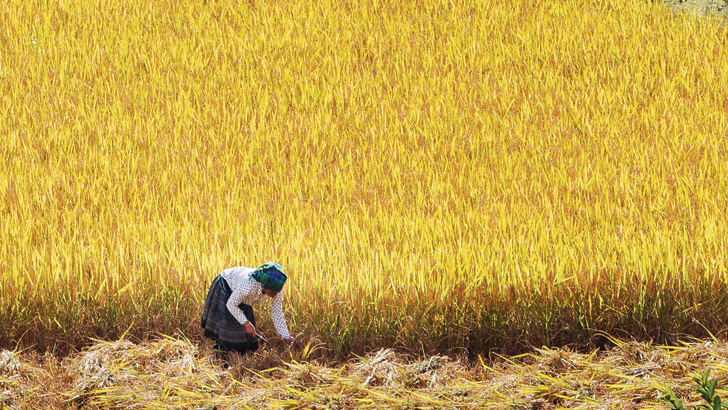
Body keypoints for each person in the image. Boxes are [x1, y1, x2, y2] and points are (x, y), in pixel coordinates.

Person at [201, 262, 299, 354]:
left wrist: (286, 337)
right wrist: (247, 324)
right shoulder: (248, 285)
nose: (274, 295)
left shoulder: (276, 288)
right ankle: (221, 355)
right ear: (263, 286)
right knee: (229, 329)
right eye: (272, 293)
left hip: (243, 298)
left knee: (244, 335)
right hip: (226, 286)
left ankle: (238, 354)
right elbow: (231, 304)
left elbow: (277, 313)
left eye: (277, 292)